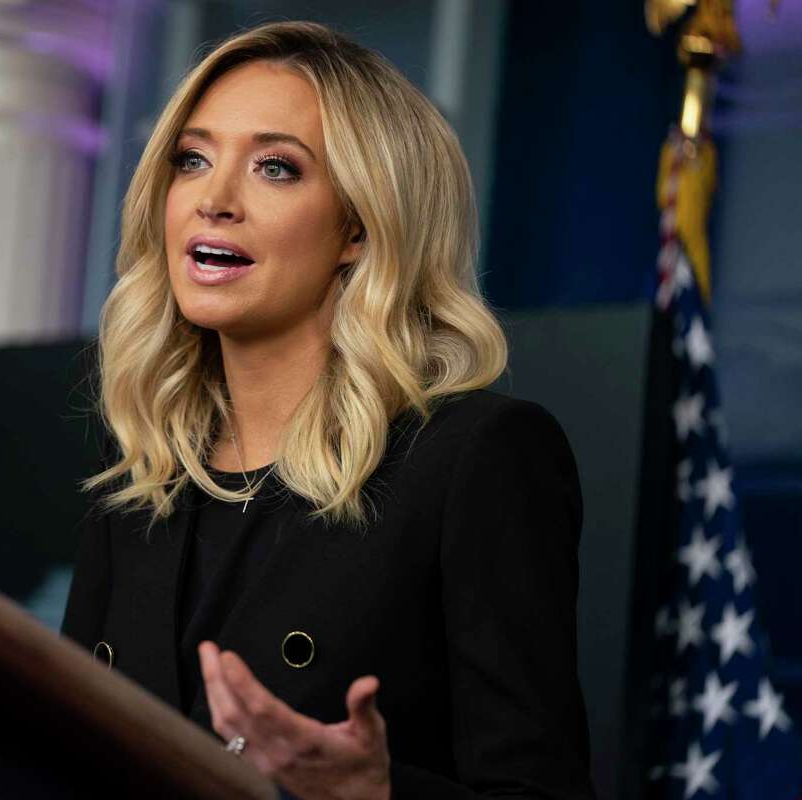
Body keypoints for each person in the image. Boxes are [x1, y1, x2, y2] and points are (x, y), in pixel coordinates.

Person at [61, 20, 595, 800]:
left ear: (359, 225)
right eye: (192, 159)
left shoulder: (476, 457)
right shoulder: (139, 491)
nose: (214, 199)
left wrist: (374, 793)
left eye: (276, 168)